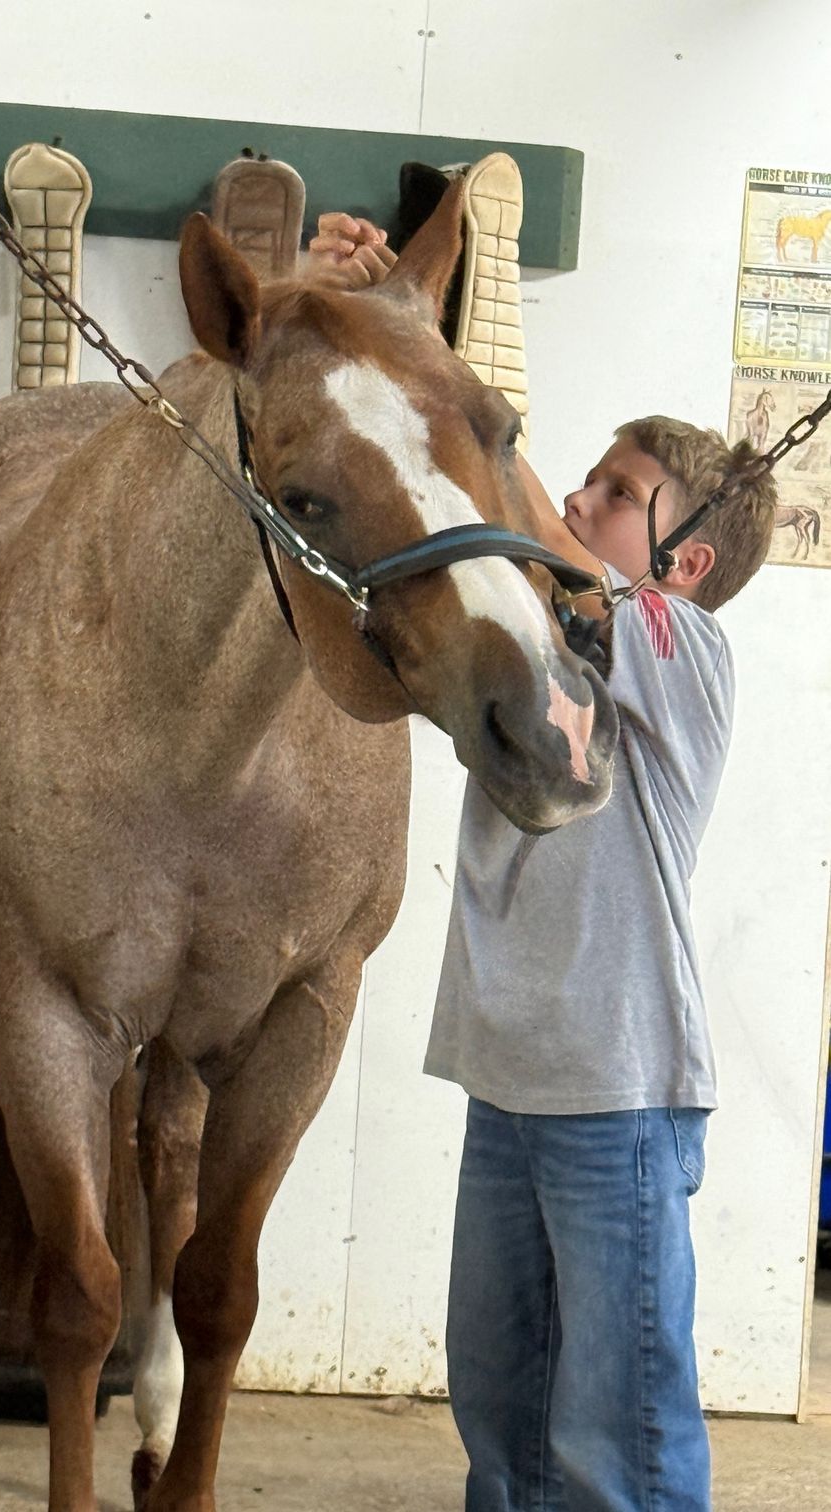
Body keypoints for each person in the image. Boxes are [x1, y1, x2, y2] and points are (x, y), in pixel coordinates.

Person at [309, 209, 778, 1510]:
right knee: (502, 1422)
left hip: (618, 1095)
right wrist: (336, 305)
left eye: (614, 497)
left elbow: (508, 513)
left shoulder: (680, 651)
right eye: (583, 478)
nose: (575, 500)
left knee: (614, 1435)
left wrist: (400, 326)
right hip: (508, 1082)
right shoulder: (518, 649)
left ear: (676, 562)